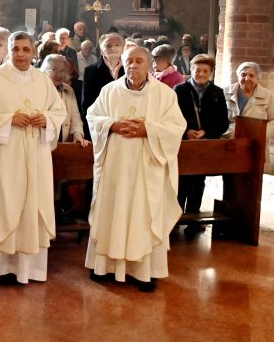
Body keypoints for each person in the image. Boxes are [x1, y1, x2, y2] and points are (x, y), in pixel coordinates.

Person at [0, 31, 66, 284]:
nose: (21, 54)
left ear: (34, 52)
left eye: (26, 49)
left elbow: (59, 111)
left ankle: (28, 269)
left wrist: (46, 119)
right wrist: (9, 119)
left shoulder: (43, 81)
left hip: (35, 154)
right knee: (1, 205)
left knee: (30, 205)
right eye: (16, 49)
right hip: (3, 155)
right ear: (9, 50)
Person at [86, 46, 186, 292]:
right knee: (111, 211)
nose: (133, 66)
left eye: (139, 61)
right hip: (115, 169)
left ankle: (144, 272)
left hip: (147, 169)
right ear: (122, 63)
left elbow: (176, 127)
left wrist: (148, 130)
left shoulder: (164, 94)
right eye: (129, 61)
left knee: (143, 215)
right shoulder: (109, 91)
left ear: (149, 64)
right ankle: (104, 267)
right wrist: (112, 124)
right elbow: (92, 116)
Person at [171, 54, 229, 228]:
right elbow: (171, 116)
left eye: (205, 71)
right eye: (197, 70)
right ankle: (175, 220)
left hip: (205, 145)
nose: (201, 74)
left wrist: (206, 132)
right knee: (180, 181)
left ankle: (194, 221)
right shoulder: (179, 89)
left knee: (198, 182)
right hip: (183, 143)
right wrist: (186, 131)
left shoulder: (217, 92)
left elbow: (223, 122)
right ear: (192, 70)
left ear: (211, 72)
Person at [82, 33, 125, 113]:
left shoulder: (128, 69)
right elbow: (87, 102)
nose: (113, 48)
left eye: (117, 45)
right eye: (108, 46)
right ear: (101, 50)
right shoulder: (91, 71)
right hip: (101, 118)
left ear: (123, 49)